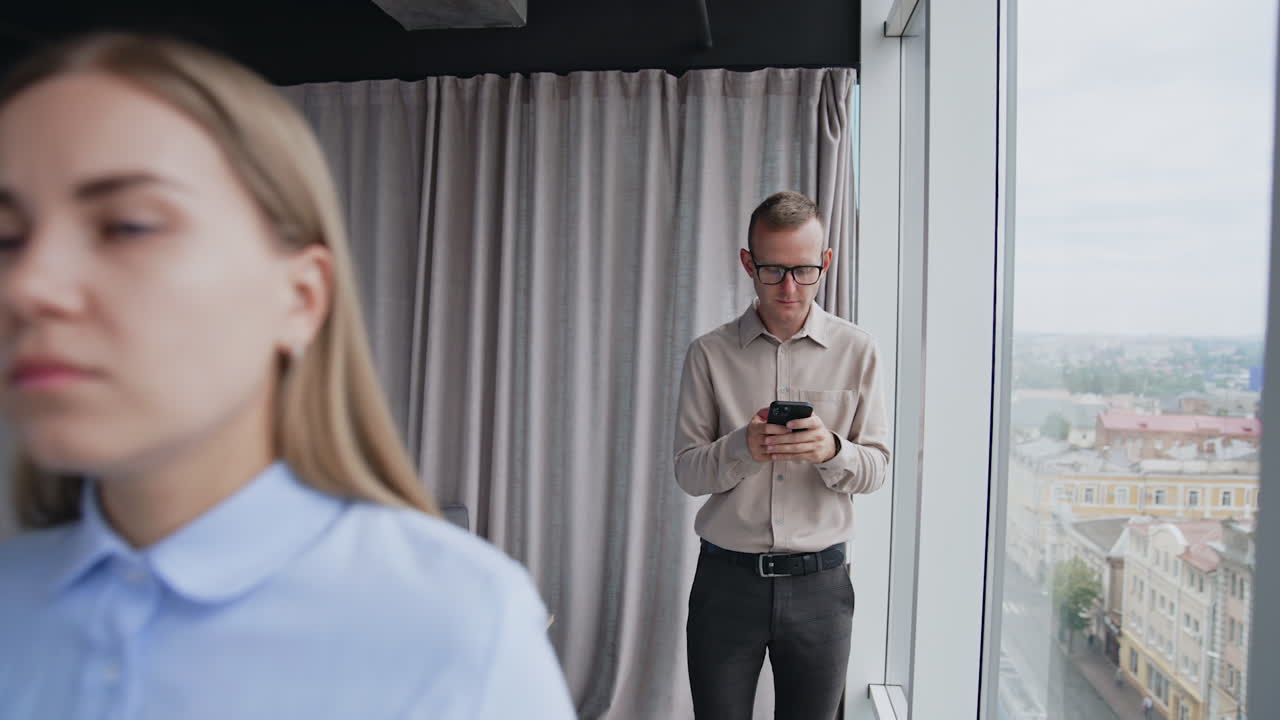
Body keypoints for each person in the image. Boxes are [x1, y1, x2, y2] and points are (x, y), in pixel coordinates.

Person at [0, 33, 575, 719]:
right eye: (6, 239)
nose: (28, 286)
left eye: (127, 225)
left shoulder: (455, 621)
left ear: (301, 298)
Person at [674, 191, 890, 719]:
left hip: (822, 589)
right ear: (748, 263)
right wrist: (741, 448)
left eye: (804, 270)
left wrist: (832, 450)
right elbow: (687, 470)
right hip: (726, 586)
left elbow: (878, 467)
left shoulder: (858, 350)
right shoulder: (709, 353)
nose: (789, 288)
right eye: (773, 270)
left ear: (826, 263)